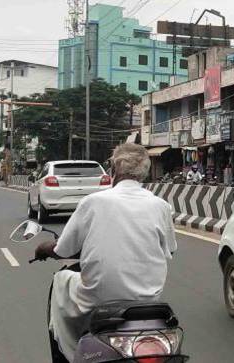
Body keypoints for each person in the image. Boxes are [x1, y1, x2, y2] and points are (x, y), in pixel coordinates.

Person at [33, 142, 177, 360]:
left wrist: (44, 248)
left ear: (114, 169)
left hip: (99, 299)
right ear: (144, 172)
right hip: (149, 299)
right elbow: (170, 251)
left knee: (61, 281)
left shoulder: (93, 202)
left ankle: (64, 356)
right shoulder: (161, 206)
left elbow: (63, 249)